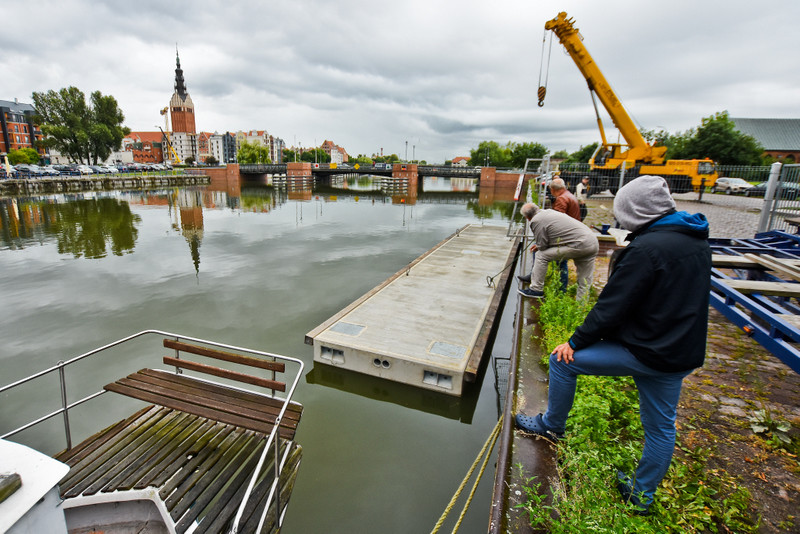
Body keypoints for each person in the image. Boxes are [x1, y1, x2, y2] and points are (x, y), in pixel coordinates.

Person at [515, 175, 711, 515]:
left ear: (633, 211)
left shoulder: (646, 250)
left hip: (647, 349)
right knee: (662, 427)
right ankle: (642, 496)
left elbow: (611, 308)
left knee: (562, 360)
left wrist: (575, 341)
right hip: (680, 351)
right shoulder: (695, 241)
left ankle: (551, 425)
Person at [517, 202, 598, 300]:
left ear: (527, 217)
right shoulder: (548, 212)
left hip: (578, 245)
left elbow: (542, 246)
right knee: (585, 279)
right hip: (592, 242)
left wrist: (538, 246)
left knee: (541, 255)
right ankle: (581, 306)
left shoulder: (536, 220)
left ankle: (536, 290)